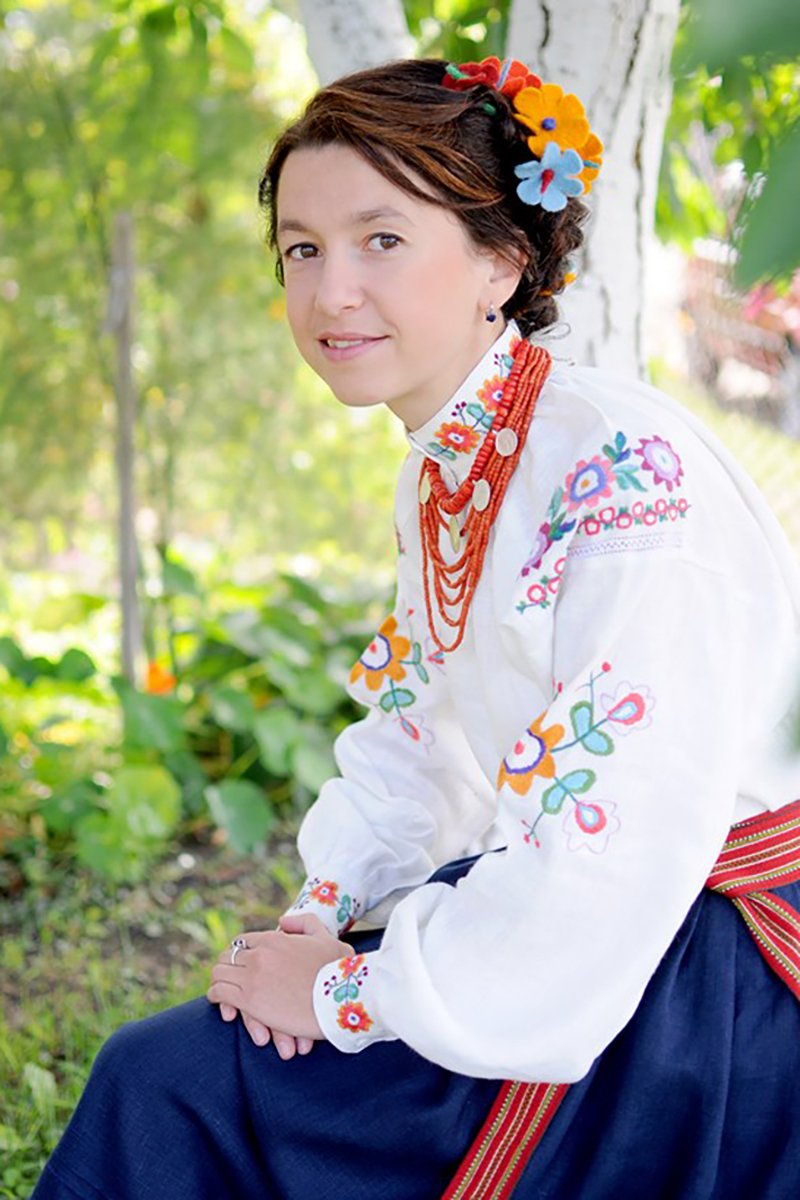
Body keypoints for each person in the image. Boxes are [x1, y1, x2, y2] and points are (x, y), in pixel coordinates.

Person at [33, 56, 800, 1200]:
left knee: (168, 1084)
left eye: (380, 240)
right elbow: (419, 737)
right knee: (178, 1072)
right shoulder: (449, 467)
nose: (330, 291)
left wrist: (346, 995)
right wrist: (319, 915)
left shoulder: (621, 473)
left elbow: (615, 846)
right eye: (301, 249)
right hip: (566, 923)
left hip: (683, 989)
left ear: (501, 259)